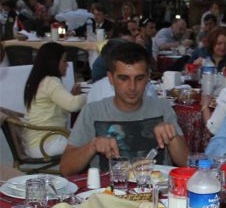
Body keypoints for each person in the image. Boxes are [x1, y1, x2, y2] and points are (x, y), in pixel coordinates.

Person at [60, 42, 188, 174]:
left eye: (139, 78)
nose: (132, 87)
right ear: (110, 78)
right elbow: (66, 169)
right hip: (108, 192)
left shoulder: (162, 108)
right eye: (123, 78)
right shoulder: (93, 111)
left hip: (156, 190)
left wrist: (173, 138)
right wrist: (92, 146)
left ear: (148, 77)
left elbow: (186, 163)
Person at [21, 43, 86, 157]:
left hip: (36, 143)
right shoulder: (50, 81)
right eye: (64, 61)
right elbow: (73, 105)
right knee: (91, 138)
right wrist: (92, 94)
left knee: (83, 135)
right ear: (54, 62)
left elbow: (55, 110)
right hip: (45, 144)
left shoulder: (38, 80)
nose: (67, 65)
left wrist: (72, 95)